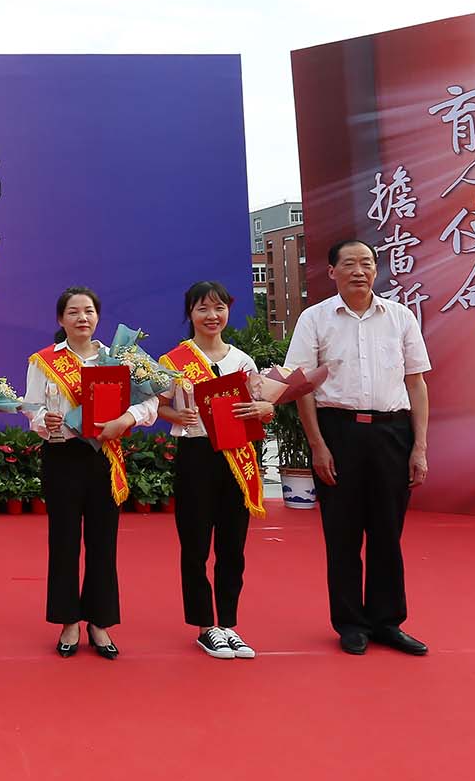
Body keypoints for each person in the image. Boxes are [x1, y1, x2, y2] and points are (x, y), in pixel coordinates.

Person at [285, 239, 432, 656]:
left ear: (375, 269)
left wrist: (419, 446)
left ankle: (387, 622)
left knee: (388, 532)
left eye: (366, 263)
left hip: (392, 432)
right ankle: (350, 623)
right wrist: (317, 445)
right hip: (339, 432)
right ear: (332, 272)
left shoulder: (400, 317)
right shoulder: (315, 319)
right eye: (348, 263)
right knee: (343, 533)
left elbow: (416, 383)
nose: (359, 271)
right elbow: (301, 387)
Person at [24, 286, 157, 659]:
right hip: (62, 456)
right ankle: (68, 620)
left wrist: (126, 419)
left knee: (103, 542)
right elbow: (31, 407)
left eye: (88, 311)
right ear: (60, 319)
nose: (82, 318)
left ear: (97, 317)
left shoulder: (119, 359)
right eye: (73, 312)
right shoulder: (44, 361)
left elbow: (151, 400)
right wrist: (45, 421)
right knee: (63, 541)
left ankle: (100, 622)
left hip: (105, 457)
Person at [155, 281, 273, 660]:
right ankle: (206, 626)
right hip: (196, 454)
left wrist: (266, 409)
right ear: (190, 313)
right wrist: (177, 415)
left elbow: (259, 407)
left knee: (232, 545)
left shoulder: (243, 361)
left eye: (219, 308)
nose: (212, 316)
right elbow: (156, 406)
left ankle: (229, 624)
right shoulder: (173, 361)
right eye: (203, 308)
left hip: (237, 457)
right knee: (195, 543)